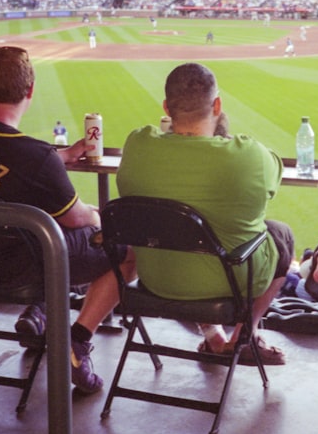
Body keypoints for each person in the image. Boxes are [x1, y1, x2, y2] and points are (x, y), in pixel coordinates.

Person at [0, 45, 135, 394]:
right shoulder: (35, 158)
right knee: (124, 246)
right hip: (20, 270)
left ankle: (37, 314)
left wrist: (57, 158)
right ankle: (79, 338)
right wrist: (101, 215)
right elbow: (77, 218)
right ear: (29, 90)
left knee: (42, 235)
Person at [117, 62, 293, 365]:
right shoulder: (248, 155)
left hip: (155, 280)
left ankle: (213, 336)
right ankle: (243, 335)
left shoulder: (137, 145)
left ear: (166, 108)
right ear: (217, 106)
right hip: (228, 284)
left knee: (190, 239)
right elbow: (275, 174)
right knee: (280, 234)